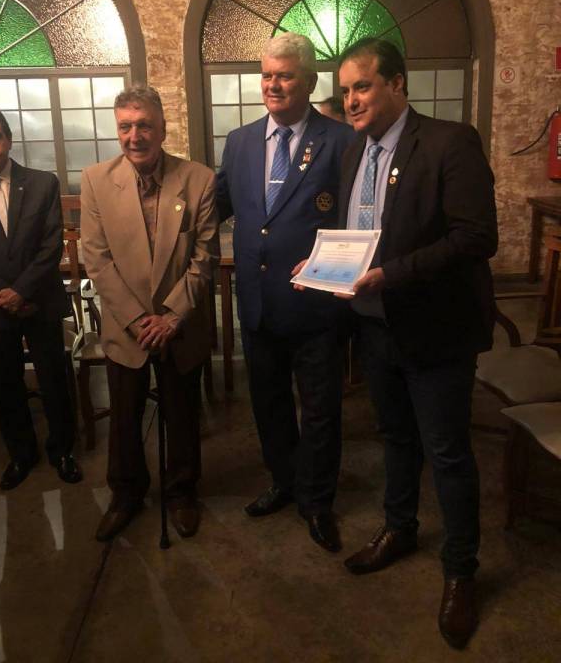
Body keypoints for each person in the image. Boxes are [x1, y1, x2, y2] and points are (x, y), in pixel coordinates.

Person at [337, 37, 497, 648]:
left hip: (436, 330)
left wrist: (392, 274)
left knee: (448, 453)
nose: (352, 100)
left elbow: (477, 237)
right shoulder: (354, 152)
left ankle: (460, 571)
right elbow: (357, 234)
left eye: (363, 86)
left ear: (397, 84)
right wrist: (326, 266)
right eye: (346, 90)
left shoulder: (450, 142)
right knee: (396, 438)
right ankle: (399, 527)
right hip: (375, 325)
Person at [217, 32, 355, 552]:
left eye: (285, 76)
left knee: (319, 409)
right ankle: (284, 481)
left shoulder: (341, 141)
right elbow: (219, 205)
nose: (273, 85)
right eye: (267, 75)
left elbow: (357, 221)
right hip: (257, 302)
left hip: (315, 304)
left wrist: (329, 264)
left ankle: (316, 500)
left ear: (310, 81)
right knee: (268, 402)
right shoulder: (240, 141)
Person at [81, 85, 218, 542]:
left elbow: (204, 257)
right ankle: (126, 494)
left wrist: (172, 316)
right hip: (127, 329)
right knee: (124, 418)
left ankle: (182, 492)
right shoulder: (96, 180)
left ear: (162, 128)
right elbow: (96, 259)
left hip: (181, 326)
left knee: (182, 414)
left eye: (144, 125)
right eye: (125, 126)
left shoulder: (198, 179)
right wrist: (140, 320)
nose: (134, 136)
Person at [0, 107, 82, 490]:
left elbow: (51, 244)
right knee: (7, 382)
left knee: (54, 378)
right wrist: (3, 295)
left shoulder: (42, 183)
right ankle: (21, 455)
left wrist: (21, 291)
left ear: (8, 140)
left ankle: (63, 450)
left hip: (39, 299)